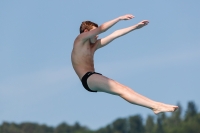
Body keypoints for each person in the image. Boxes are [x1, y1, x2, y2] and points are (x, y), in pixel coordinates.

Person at [71, 14, 178, 114]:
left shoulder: (93, 46)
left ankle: (156, 105)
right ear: (86, 32)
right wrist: (119, 18)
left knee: (124, 89)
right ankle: (155, 106)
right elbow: (102, 28)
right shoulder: (79, 40)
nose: (97, 35)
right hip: (87, 78)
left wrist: (135, 27)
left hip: (92, 77)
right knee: (121, 90)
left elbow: (115, 34)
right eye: (95, 33)